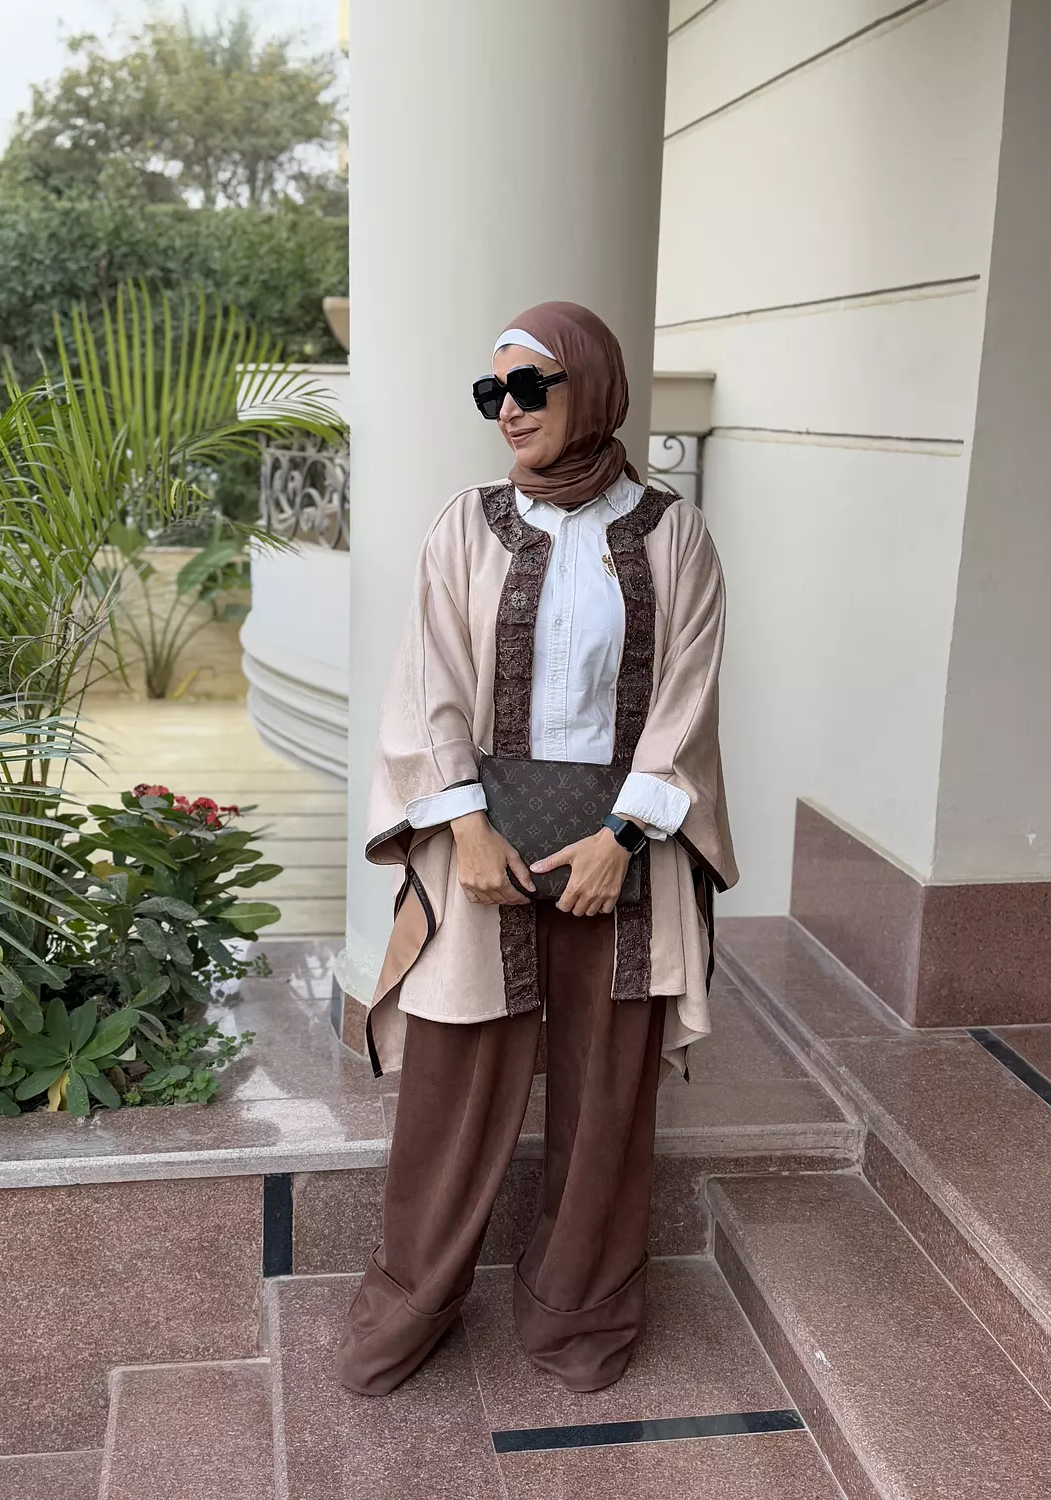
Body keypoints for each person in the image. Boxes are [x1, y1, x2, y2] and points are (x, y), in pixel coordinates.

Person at [338, 300, 737, 1398]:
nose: (506, 410)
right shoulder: (465, 526)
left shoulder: (673, 534)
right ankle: (410, 1306)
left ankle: (579, 1312)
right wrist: (465, 828)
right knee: (454, 1087)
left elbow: (688, 699)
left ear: (591, 389)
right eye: (492, 393)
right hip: (483, 843)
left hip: (626, 854)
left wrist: (622, 838)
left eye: (528, 387)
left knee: (607, 1094)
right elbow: (427, 684)